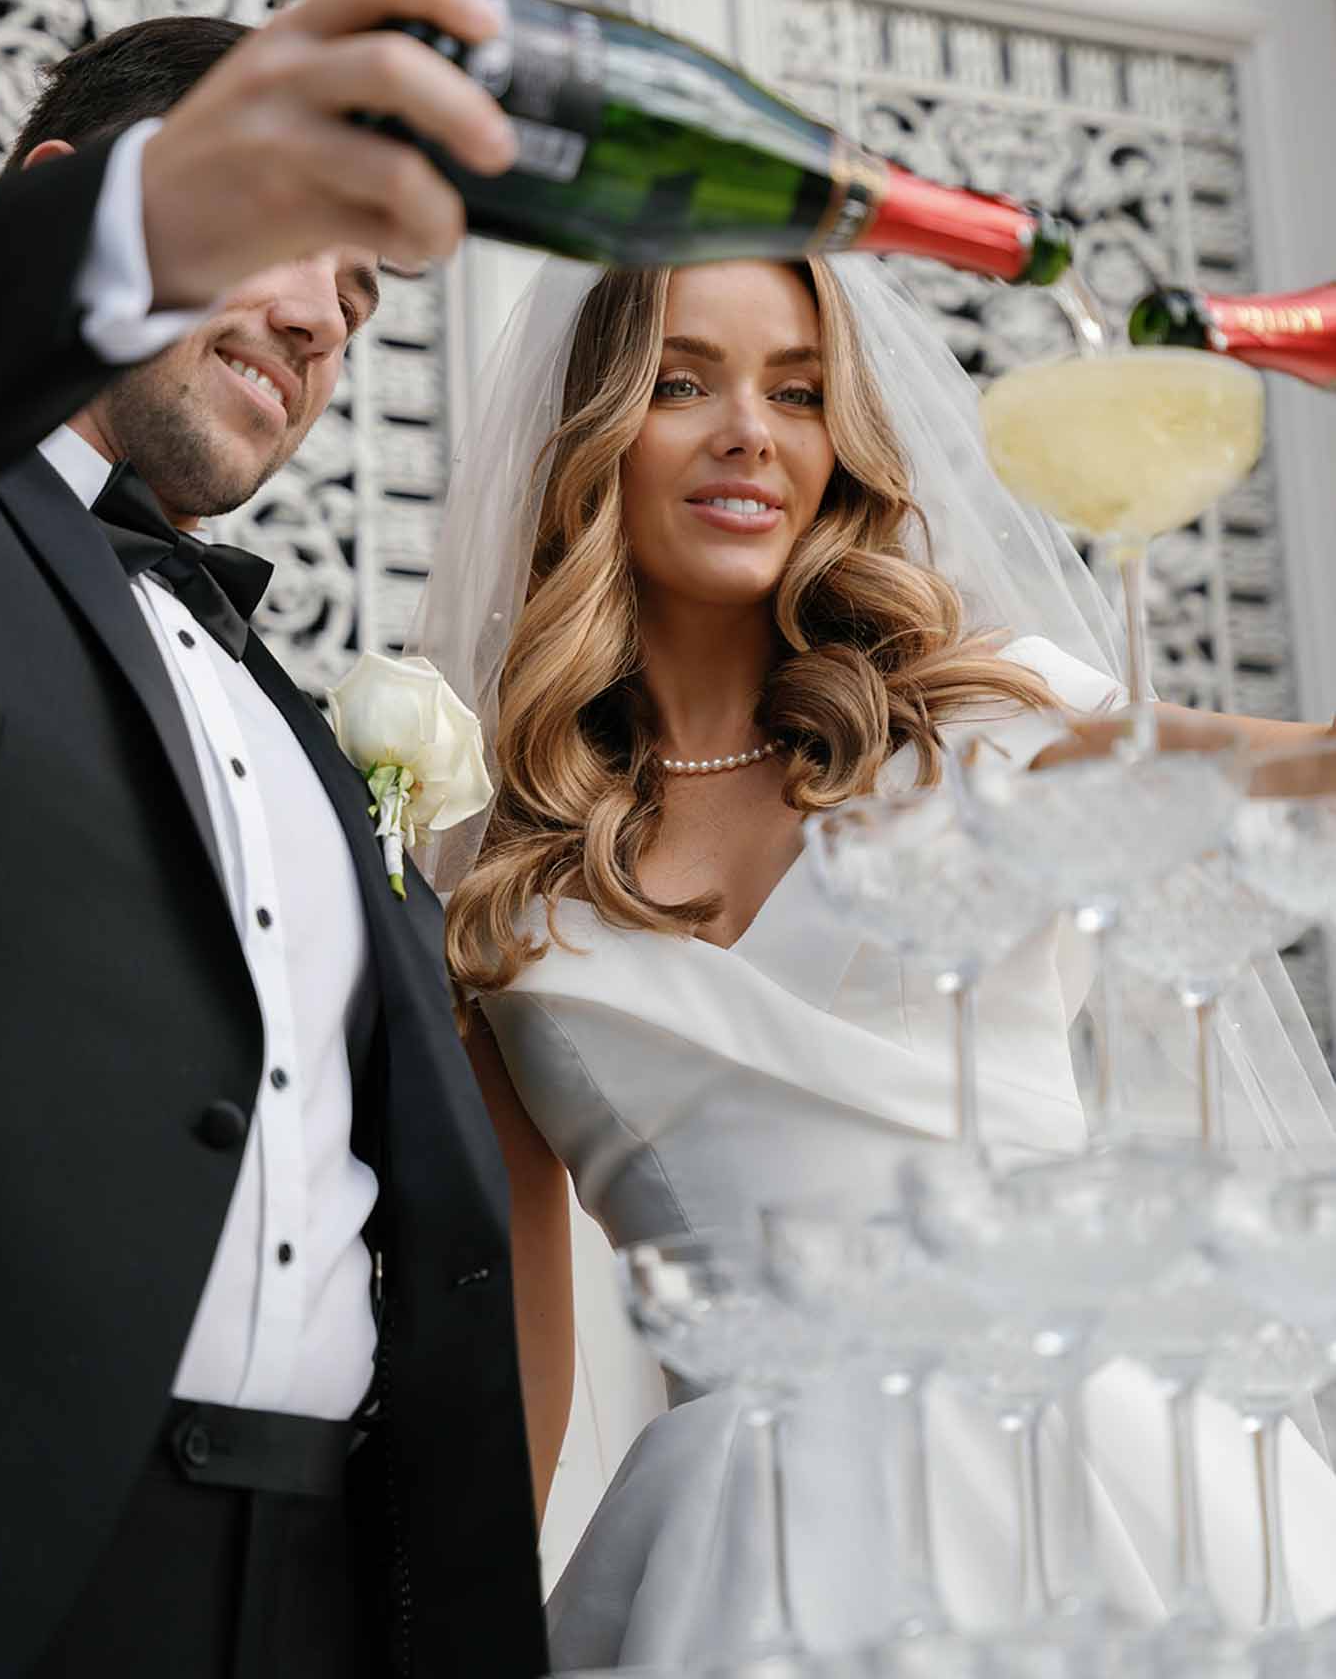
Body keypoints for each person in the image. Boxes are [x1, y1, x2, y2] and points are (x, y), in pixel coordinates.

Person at [411, 251, 1336, 1667]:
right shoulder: (490, 873)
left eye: (797, 392)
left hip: (1083, 1483)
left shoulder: (986, 731)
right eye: (678, 383)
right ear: (589, 437)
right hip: (743, 1542)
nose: (748, 433)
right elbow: (518, 1346)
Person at [0, 0, 548, 1679]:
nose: (322, 324)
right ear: (72, 209)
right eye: (292, 233)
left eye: (363, 301)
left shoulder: (281, 704)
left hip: (320, 1588)